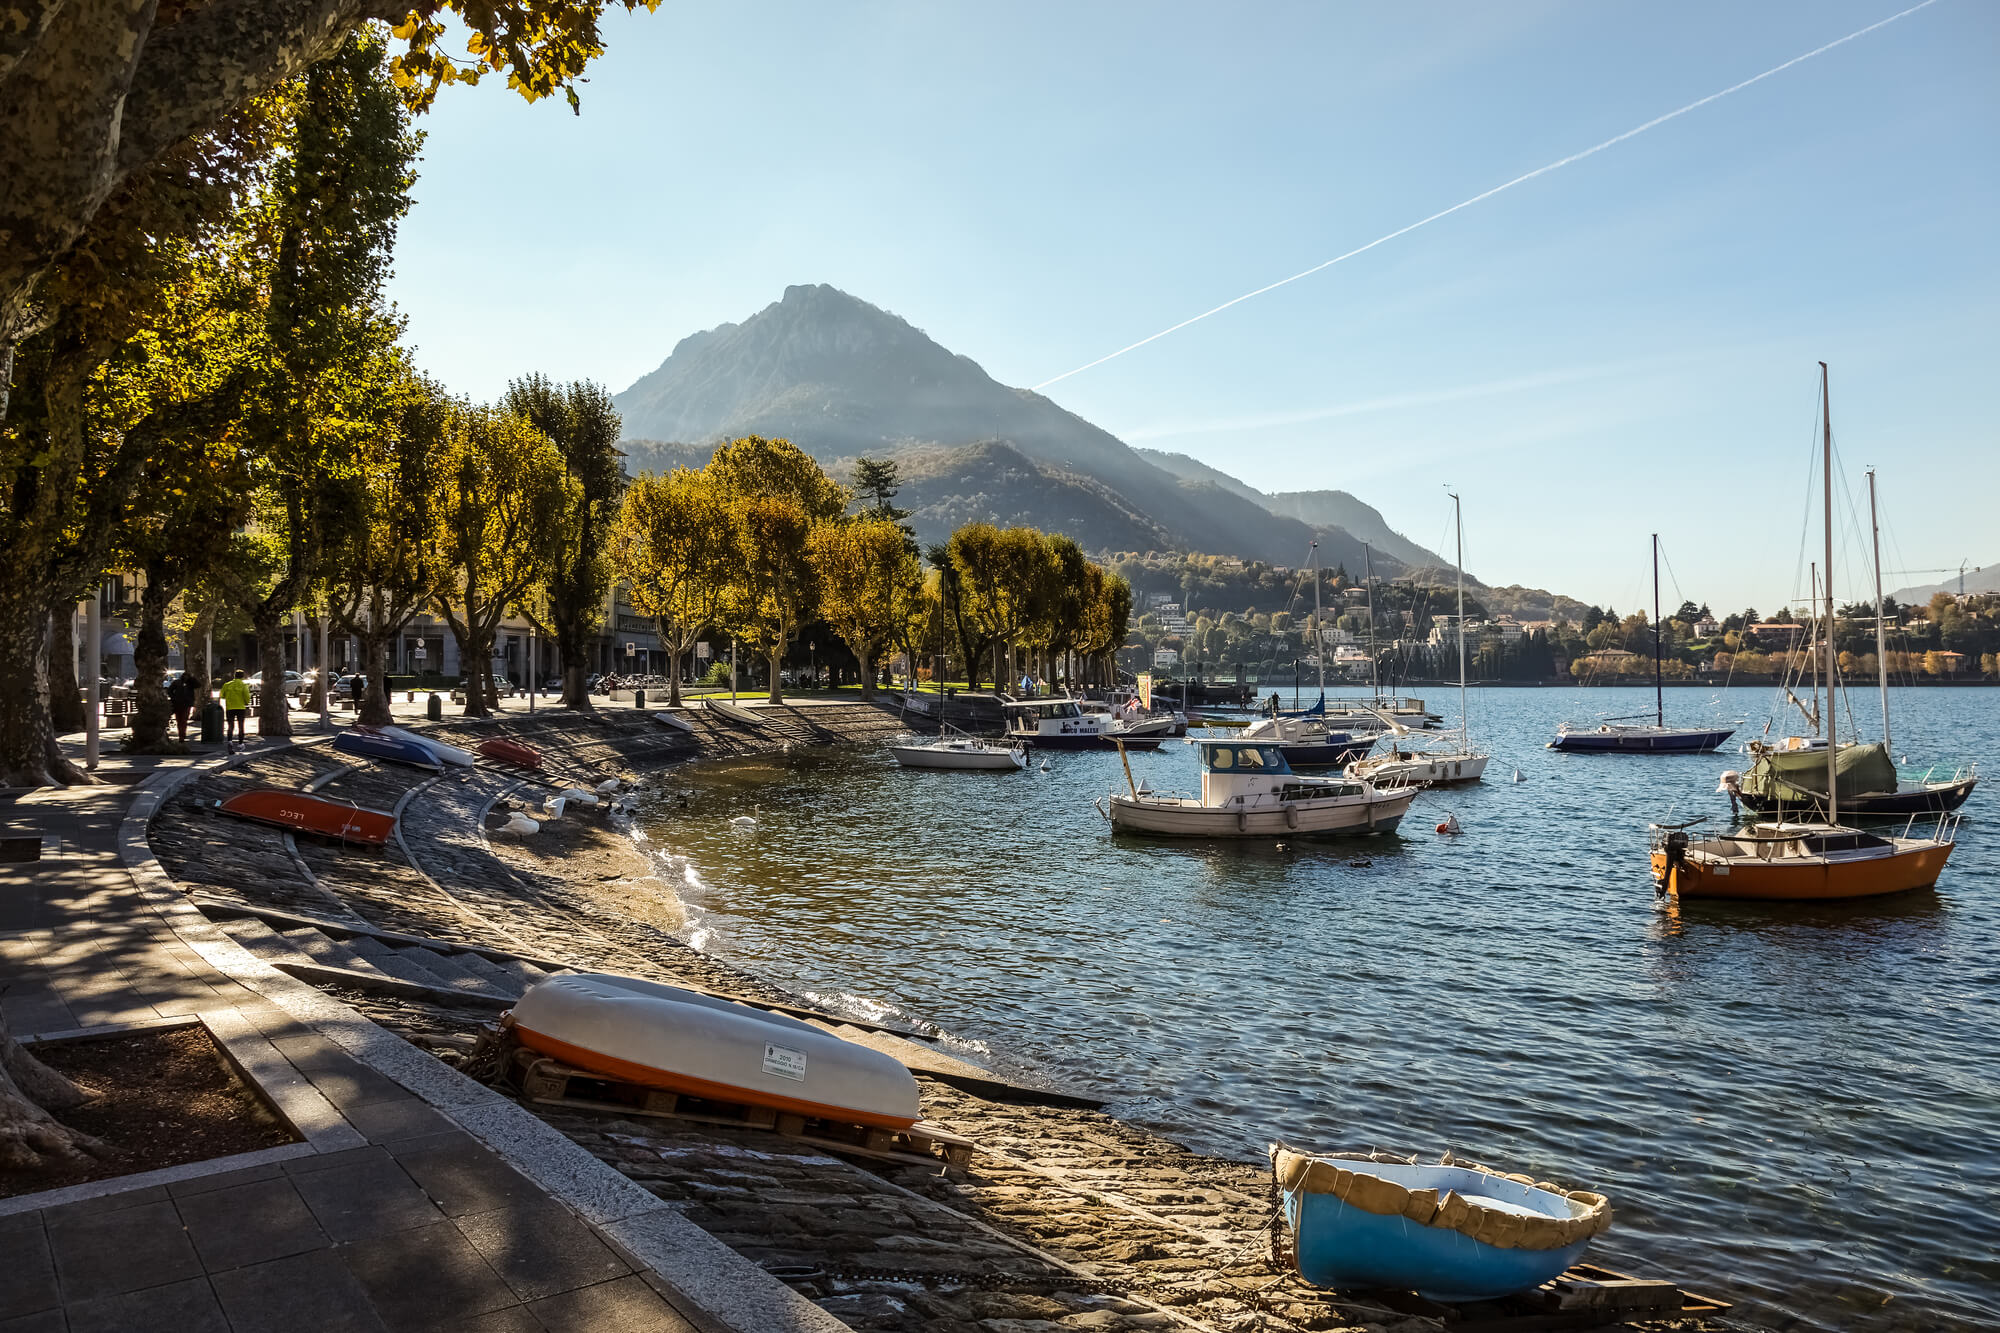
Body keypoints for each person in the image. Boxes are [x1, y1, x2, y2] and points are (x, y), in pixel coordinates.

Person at [219, 669, 251, 742]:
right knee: (241, 725)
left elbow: (222, 695)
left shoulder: (227, 685)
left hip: (230, 707)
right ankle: (240, 742)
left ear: (234, 676)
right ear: (243, 676)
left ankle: (230, 741)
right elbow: (247, 696)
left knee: (230, 725)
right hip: (240, 707)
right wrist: (246, 702)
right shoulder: (244, 685)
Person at [167, 671, 198, 741]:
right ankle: (181, 734)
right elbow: (169, 691)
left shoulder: (191, 683)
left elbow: (198, 685)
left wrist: (192, 679)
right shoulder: (177, 682)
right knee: (179, 720)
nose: (186, 678)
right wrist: (174, 697)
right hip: (177, 704)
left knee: (183, 720)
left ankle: (182, 735)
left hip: (186, 704)